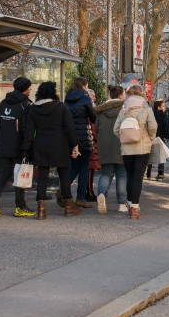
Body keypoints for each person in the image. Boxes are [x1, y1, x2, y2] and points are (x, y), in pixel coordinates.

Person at [21, 82, 81, 219]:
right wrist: (75, 145)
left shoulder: (33, 109)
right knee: (64, 176)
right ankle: (68, 207)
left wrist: (25, 150)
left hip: (41, 144)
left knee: (42, 177)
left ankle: (41, 209)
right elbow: (70, 128)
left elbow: (29, 133)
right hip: (60, 144)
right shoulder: (61, 107)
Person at [0, 78, 34, 217]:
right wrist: (27, 148)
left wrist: (0, 141)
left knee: (6, 171)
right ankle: (20, 207)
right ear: (24, 89)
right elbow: (26, 129)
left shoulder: (3, 103)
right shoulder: (26, 105)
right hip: (18, 147)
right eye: (29, 87)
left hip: (4, 145)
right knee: (20, 174)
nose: (30, 89)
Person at [114, 84, 157, 219]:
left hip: (127, 149)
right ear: (142, 95)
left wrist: (125, 139)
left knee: (130, 176)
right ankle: (134, 207)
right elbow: (153, 127)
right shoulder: (147, 110)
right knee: (138, 177)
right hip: (142, 147)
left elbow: (116, 130)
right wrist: (150, 138)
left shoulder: (123, 111)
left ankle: (129, 202)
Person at [94, 85, 128, 214]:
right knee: (122, 174)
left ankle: (102, 194)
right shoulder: (124, 112)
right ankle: (122, 204)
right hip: (121, 146)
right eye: (124, 94)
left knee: (106, 173)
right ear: (120, 96)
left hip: (105, 146)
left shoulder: (101, 112)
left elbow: (96, 129)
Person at [65, 77, 97, 207]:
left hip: (70, 136)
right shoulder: (86, 98)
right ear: (84, 86)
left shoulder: (67, 98)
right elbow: (93, 117)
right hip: (83, 135)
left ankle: (63, 190)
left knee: (74, 166)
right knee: (84, 168)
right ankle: (80, 198)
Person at [146, 100, 169, 180]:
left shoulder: (150, 115)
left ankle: (148, 173)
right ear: (159, 107)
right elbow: (167, 126)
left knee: (150, 154)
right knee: (161, 155)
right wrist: (166, 136)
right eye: (163, 106)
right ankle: (160, 172)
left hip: (150, 137)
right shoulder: (163, 115)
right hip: (161, 137)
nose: (164, 108)